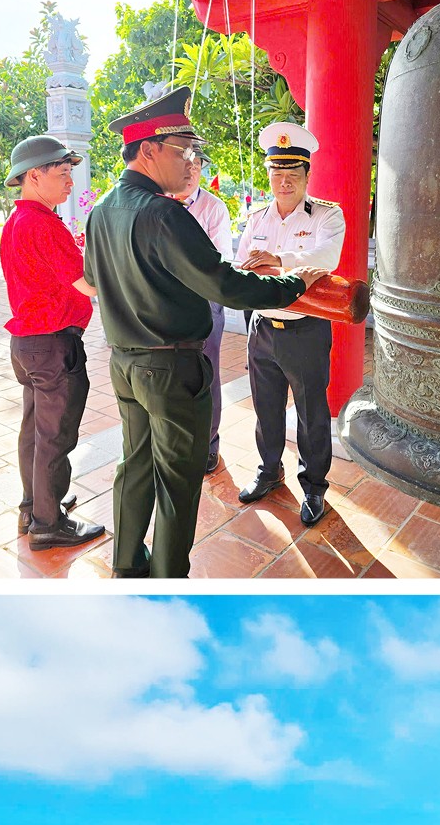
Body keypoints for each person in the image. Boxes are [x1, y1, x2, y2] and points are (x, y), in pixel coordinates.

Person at [84, 87, 323, 578]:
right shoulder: (164, 213)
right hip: (171, 367)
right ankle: (168, 578)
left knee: (134, 466)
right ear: (148, 149)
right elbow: (224, 283)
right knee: (177, 479)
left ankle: (127, 565)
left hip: (126, 363)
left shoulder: (102, 210)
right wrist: (292, 284)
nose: (191, 161)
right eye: (183, 150)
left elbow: (94, 279)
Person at [230, 121, 349, 527]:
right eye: (277, 174)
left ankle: (314, 485)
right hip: (262, 327)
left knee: (312, 412)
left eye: (292, 175)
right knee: (265, 408)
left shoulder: (327, 216)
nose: (284, 182)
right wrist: (284, 267)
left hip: (305, 329)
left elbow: (326, 258)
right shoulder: (257, 217)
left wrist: (277, 262)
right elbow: (244, 263)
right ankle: (269, 470)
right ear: (268, 174)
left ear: (306, 175)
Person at [0, 135, 105, 551]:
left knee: (34, 432)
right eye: (62, 174)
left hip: (27, 345)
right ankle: (48, 523)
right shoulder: (42, 223)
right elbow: (88, 285)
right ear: (34, 175)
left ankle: (34, 505)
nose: (70, 184)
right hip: (53, 344)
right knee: (56, 436)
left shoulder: (16, 221)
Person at [167, 160, 235, 476]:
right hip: (166, 303)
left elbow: (218, 261)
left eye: (196, 166)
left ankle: (208, 445)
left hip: (204, 302)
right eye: (184, 164)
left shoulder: (213, 208)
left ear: (203, 170)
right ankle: (177, 442)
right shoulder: (162, 202)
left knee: (206, 373)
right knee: (171, 373)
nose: (190, 170)